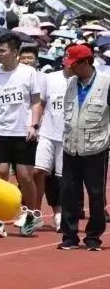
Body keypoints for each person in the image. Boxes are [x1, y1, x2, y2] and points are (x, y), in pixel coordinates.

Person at [0, 32, 43, 237]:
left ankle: (30, 216)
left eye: (3, 50)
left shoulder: (28, 73)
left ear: (15, 52)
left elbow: (36, 101)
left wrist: (33, 125)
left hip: (23, 132)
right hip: (0, 131)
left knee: (25, 177)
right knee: (0, 175)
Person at [58, 44, 109, 252]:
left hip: (95, 148)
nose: (70, 69)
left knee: (96, 194)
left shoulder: (106, 84)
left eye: (74, 64)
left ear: (86, 63)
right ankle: (69, 235)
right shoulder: (71, 83)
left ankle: (93, 236)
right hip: (71, 146)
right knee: (68, 192)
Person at [34, 59, 71, 232]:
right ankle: (36, 213)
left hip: (68, 136)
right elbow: (41, 104)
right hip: (47, 133)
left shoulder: (80, 80)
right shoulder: (50, 78)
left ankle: (60, 214)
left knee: (62, 178)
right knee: (38, 171)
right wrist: (34, 125)